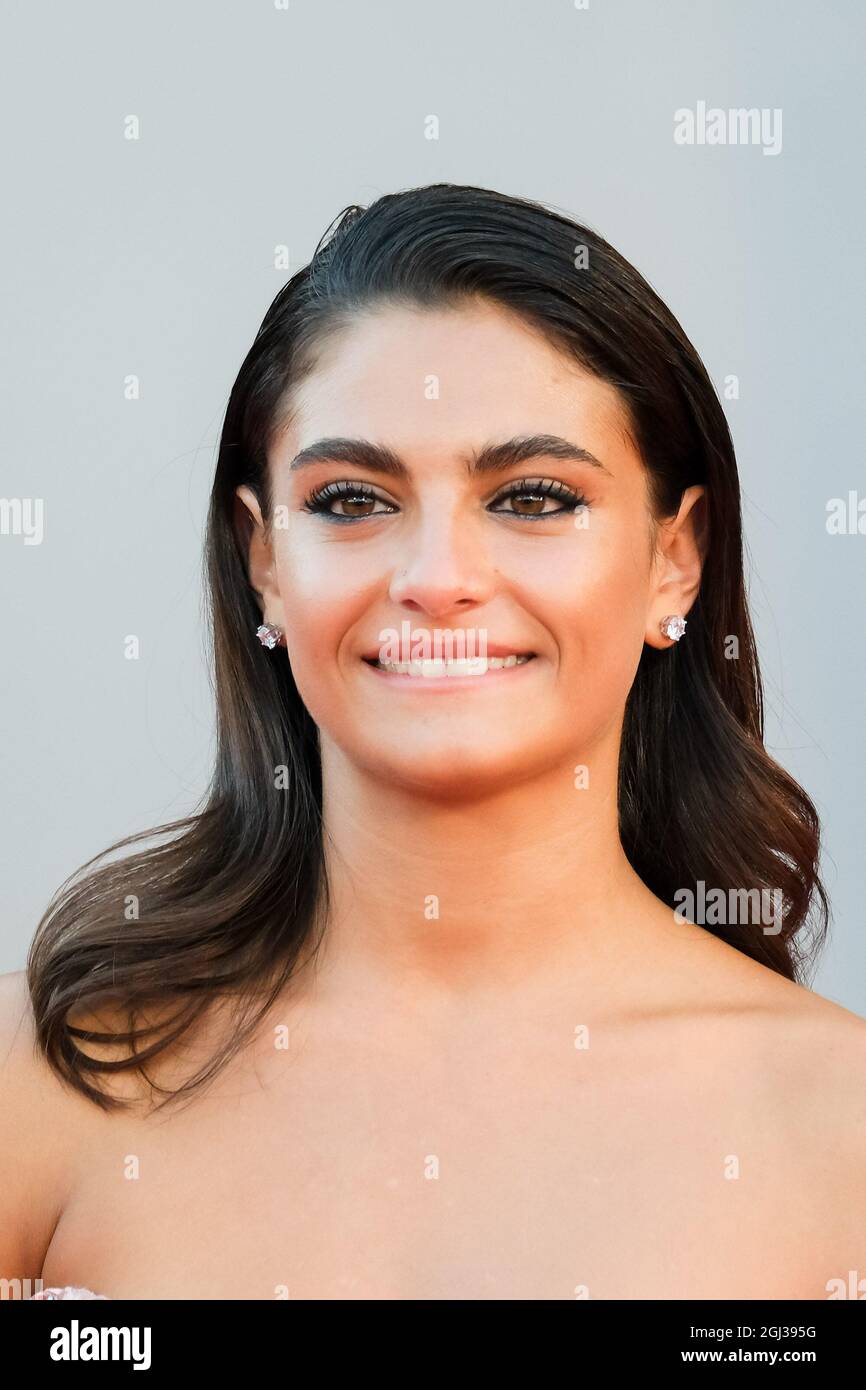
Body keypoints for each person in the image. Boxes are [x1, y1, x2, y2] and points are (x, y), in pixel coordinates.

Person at [2, 184, 864, 1301]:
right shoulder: (44, 1078)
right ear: (263, 558)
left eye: (536, 496)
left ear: (674, 561)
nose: (436, 579)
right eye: (353, 499)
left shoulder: (836, 1127)